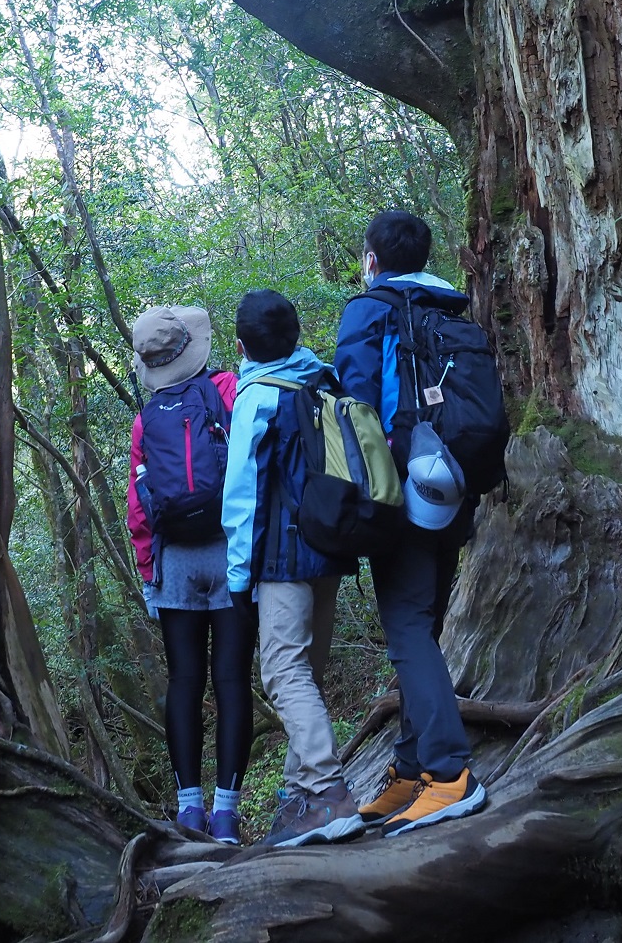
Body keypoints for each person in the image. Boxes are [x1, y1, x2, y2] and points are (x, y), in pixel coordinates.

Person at [336, 210, 488, 834]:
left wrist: (359, 502)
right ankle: (410, 767)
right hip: (453, 485)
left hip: (400, 491)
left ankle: (450, 775)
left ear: (372, 259)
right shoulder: (451, 310)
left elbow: (356, 408)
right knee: (420, 627)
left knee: (407, 630)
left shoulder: (369, 312)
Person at [222, 289, 366, 847]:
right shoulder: (323, 379)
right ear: (297, 333)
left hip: (282, 557)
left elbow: (242, 495)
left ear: (241, 347)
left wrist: (239, 577)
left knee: (284, 673)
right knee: (308, 671)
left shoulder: (256, 396)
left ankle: (328, 791)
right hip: (329, 544)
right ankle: (299, 798)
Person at [126, 305, 250, 844]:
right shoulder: (226, 390)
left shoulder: (145, 419)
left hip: (174, 560)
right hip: (230, 553)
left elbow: (139, 506)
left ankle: (189, 812)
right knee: (231, 680)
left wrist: (148, 572)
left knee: (183, 681)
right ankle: (227, 815)